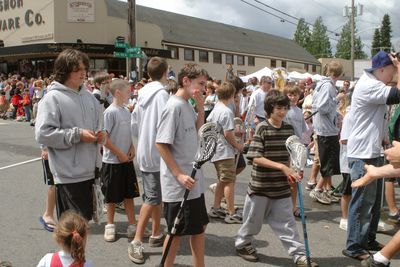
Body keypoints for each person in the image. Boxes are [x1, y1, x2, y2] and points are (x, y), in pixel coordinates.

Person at [235, 92, 318, 267]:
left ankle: (300, 255)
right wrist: (282, 167)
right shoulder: (262, 128)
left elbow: (290, 156)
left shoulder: (288, 129)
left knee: (288, 225)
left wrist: (293, 171)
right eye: (278, 108)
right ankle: (243, 244)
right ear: (269, 109)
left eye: (285, 108)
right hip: (260, 188)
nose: (282, 111)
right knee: (252, 223)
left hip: (281, 189)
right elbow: (255, 157)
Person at [343, 51, 400, 261]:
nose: (393, 76)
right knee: (362, 203)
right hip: (362, 153)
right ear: (382, 69)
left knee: (375, 204)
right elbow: (397, 94)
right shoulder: (369, 85)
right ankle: (353, 245)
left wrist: (384, 137)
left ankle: (367, 239)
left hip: (373, 149)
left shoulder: (375, 83)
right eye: (392, 71)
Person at [35, 48, 105, 221]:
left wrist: (102, 134)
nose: (84, 73)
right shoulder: (52, 98)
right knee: (74, 229)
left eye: (84, 69)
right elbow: (43, 134)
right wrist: (78, 135)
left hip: (91, 171)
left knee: (84, 225)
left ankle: (74, 250)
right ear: (65, 70)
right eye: (78, 69)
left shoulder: (89, 97)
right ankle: (70, 250)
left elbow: (99, 125)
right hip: (68, 175)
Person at [155, 63, 208, 267]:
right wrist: (178, 174)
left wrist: (200, 107)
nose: (203, 88)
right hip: (179, 184)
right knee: (175, 231)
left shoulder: (186, 103)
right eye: (200, 84)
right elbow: (160, 143)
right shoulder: (174, 106)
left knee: (199, 226)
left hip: (193, 179)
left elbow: (196, 132)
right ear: (185, 81)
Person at [128, 57, 169, 264]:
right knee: (152, 197)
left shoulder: (141, 93)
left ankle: (155, 234)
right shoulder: (162, 95)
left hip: (146, 149)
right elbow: (167, 124)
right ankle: (136, 241)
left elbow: (134, 124)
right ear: (165, 72)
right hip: (157, 152)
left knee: (156, 195)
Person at [101, 79, 140, 242]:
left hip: (126, 160)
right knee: (111, 196)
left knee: (128, 194)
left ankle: (132, 225)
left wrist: (131, 147)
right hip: (112, 162)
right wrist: (119, 154)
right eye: (127, 91)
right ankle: (110, 225)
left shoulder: (126, 111)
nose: (130, 93)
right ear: (117, 92)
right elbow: (105, 139)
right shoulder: (110, 112)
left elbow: (128, 133)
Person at [207, 82, 243, 224]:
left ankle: (216, 208)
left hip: (217, 150)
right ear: (232, 95)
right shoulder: (226, 111)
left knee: (222, 181)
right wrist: (238, 145)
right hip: (224, 151)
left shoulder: (217, 108)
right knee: (229, 181)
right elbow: (228, 133)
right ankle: (231, 212)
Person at [309, 61, 344, 205]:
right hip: (326, 130)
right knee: (329, 162)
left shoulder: (322, 84)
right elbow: (323, 107)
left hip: (324, 128)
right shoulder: (328, 86)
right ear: (338, 74)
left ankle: (326, 190)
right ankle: (317, 189)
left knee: (328, 161)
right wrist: (337, 99)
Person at [284, 86, 308, 218]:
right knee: (285, 178)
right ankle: (283, 206)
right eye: (290, 95)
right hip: (286, 147)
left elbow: (303, 130)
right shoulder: (284, 110)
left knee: (294, 179)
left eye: (295, 95)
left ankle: (293, 206)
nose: (292, 98)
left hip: (296, 149)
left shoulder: (299, 111)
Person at [38, 148, 56, 233]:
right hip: (52, 151)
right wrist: (45, 148)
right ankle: (48, 214)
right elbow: (41, 134)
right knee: (55, 184)